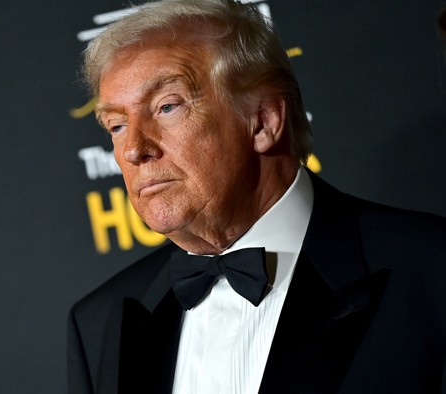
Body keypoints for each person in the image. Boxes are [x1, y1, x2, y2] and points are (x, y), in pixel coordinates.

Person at [67, 0, 446, 393]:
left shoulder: (430, 271)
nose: (133, 149)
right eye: (116, 125)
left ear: (263, 121)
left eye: (167, 107)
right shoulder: (101, 323)